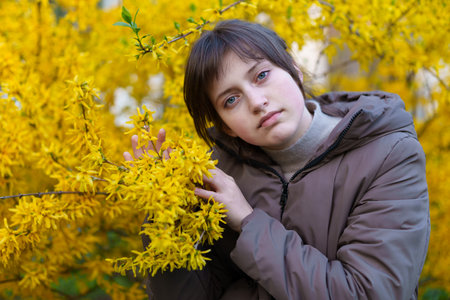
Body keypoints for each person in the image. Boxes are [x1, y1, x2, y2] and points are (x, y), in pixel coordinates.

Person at [124, 19, 430, 300]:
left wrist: (246, 221)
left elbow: (370, 292)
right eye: (231, 100)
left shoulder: (387, 154)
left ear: (294, 69)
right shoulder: (217, 175)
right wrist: (167, 219)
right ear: (225, 124)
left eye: (261, 75)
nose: (257, 103)